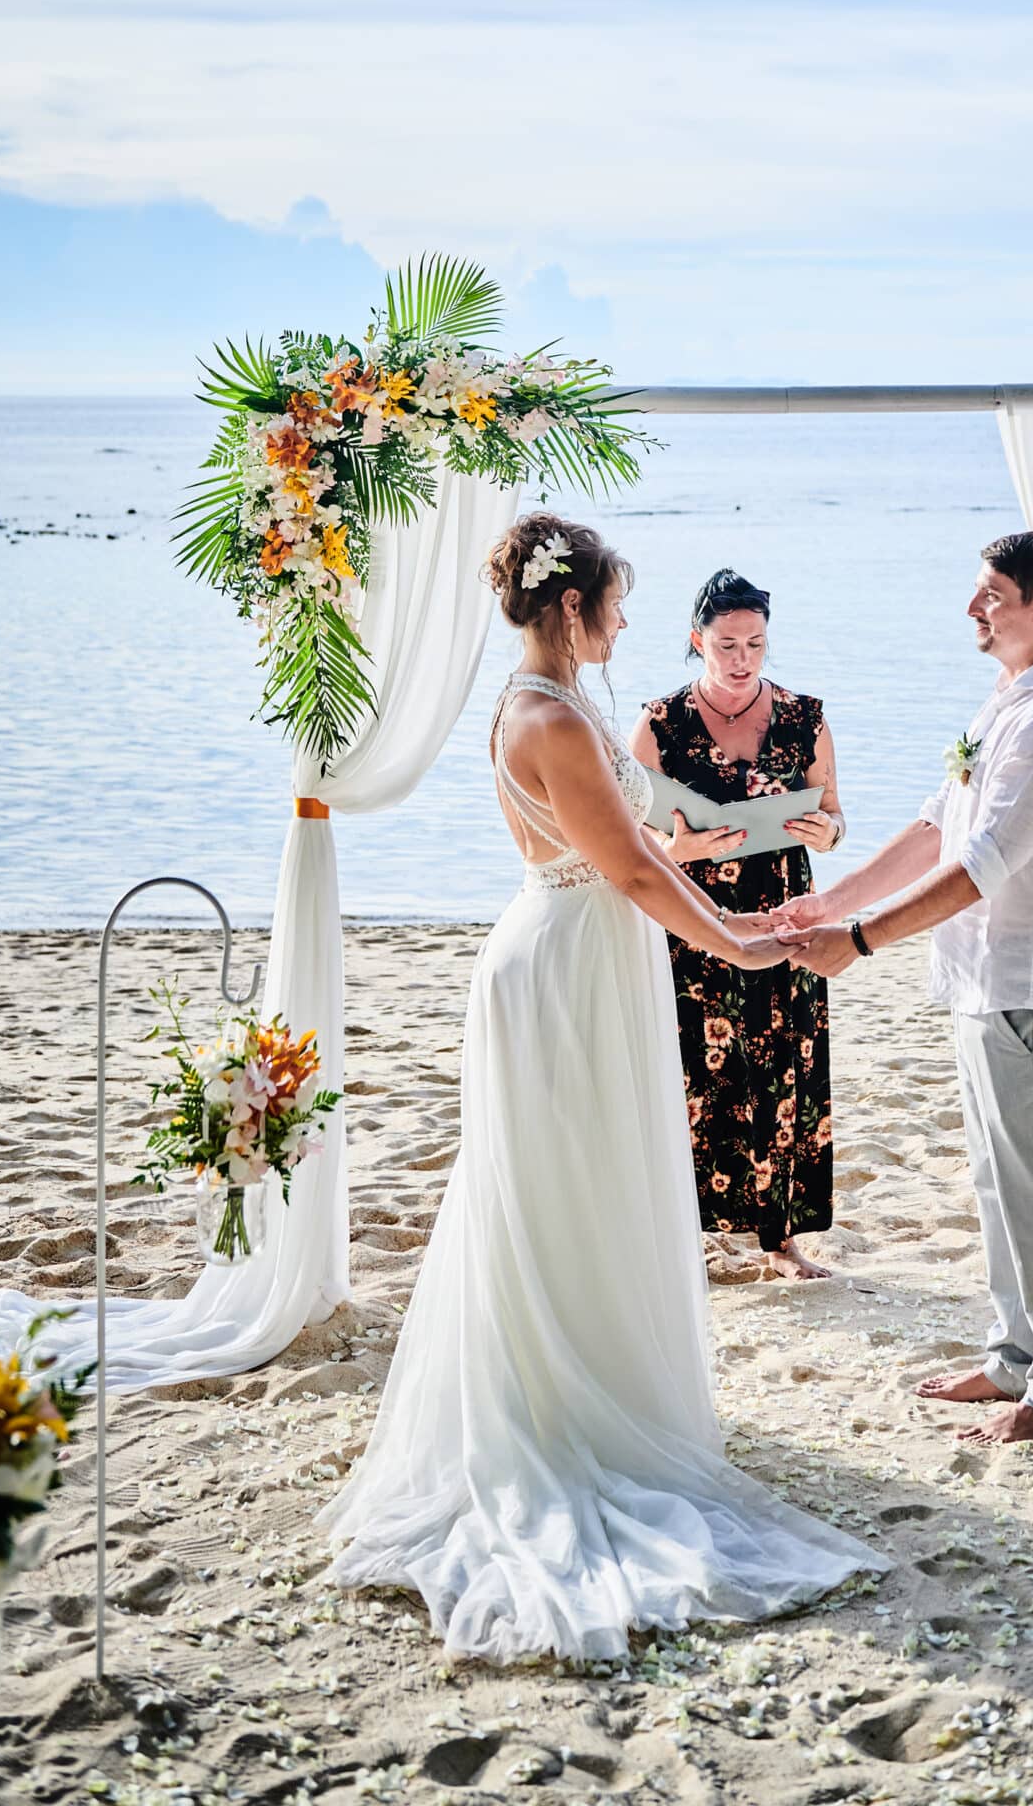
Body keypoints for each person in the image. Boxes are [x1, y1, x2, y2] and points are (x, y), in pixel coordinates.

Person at [320, 512, 880, 1661]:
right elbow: (625, 865)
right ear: (571, 607)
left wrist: (743, 881)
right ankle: (563, 1407)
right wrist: (738, 943)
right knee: (563, 1184)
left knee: (598, 1178)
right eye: (617, 602)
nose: (630, 620)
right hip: (567, 960)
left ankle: (606, 1381)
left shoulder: (566, 703)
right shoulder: (542, 712)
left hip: (596, 951)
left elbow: (647, 846)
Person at [775, 530, 1033, 1444]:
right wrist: (828, 901)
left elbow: (982, 866)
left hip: (1027, 981)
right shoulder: (1006, 700)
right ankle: (1011, 1359)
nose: (972, 608)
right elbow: (936, 825)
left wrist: (859, 941)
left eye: (989, 595)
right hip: (977, 977)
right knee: (998, 1184)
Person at [631, 570, 844, 1281]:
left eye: (754, 642)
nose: (741, 657)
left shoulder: (804, 716)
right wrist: (679, 848)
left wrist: (825, 834)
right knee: (690, 1067)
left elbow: (836, 817)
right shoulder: (659, 722)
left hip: (783, 908)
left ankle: (779, 1241)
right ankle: (675, 1235)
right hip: (690, 913)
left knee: (783, 1062)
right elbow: (625, 842)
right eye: (726, 644)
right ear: (698, 641)